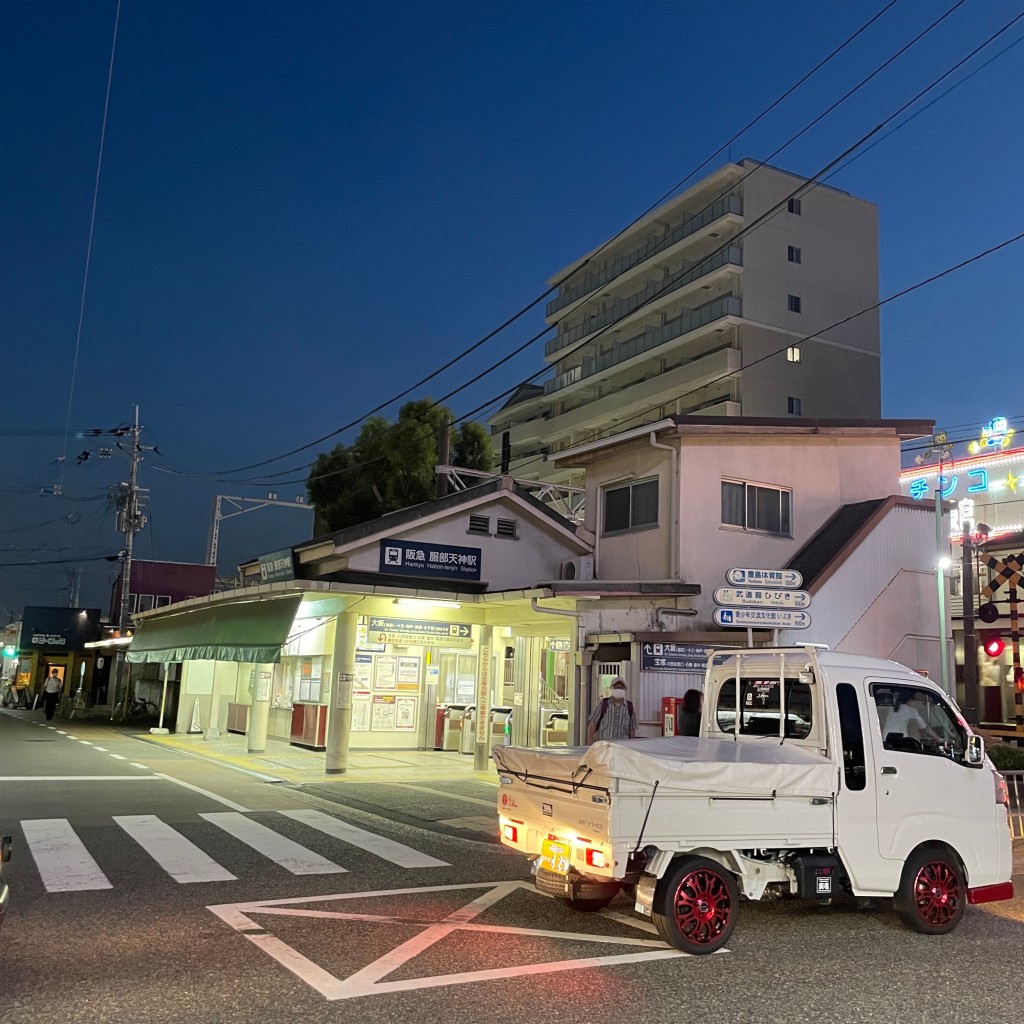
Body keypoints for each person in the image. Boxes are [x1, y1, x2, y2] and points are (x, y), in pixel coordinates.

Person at [586, 678, 637, 743]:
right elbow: (593, 725)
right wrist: (590, 742)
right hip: (603, 746)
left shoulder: (630, 707)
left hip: (621, 747)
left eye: (621, 688)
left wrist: (631, 745)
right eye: (616, 687)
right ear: (611, 688)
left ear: (625, 690)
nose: (618, 690)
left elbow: (632, 729)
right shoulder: (603, 704)